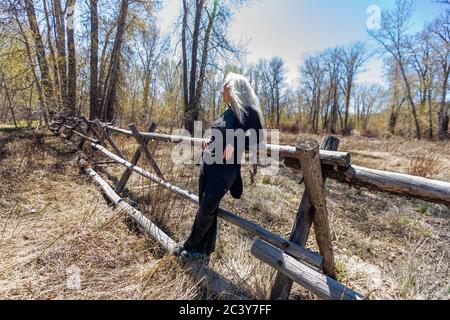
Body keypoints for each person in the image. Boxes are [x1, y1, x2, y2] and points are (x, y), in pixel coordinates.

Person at [175, 72, 265, 260]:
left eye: (224, 86)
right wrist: (210, 140)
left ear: (233, 89)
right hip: (208, 162)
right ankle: (203, 249)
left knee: (207, 207)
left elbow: (258, 138)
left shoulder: (249, 112)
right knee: (205, 207)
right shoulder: (228, 111)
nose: (221, 90)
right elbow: (220, 133)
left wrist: (236, 142)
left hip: (225, 169)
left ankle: (190, 245)